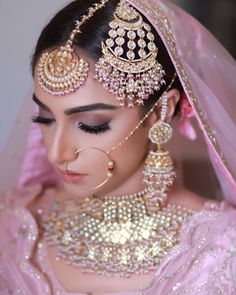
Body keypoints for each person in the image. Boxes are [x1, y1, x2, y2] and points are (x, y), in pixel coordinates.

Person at [0, 0, 236, 294]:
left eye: (91, 125)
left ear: (159, 112)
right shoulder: (13, 226)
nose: (56, 153)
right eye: (45, 119)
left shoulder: (223, 249)